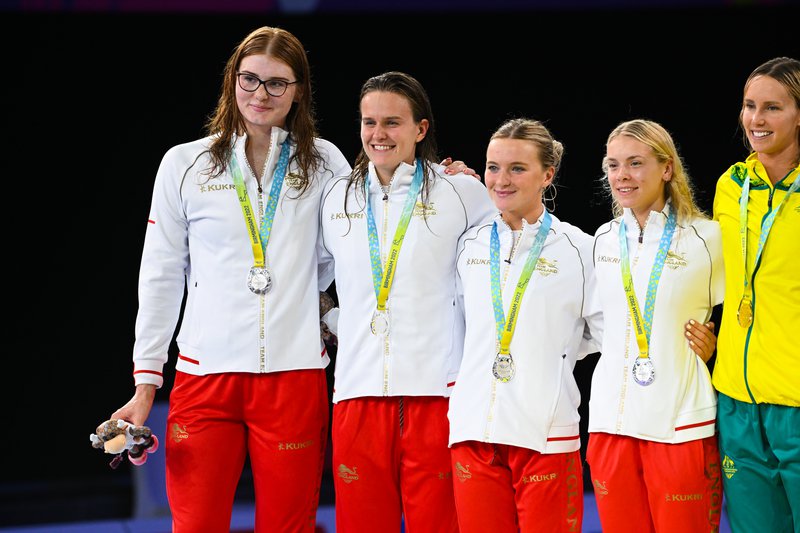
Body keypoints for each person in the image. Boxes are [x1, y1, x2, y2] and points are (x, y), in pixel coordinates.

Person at [107, 26, 354, 532]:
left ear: (299, 89)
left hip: (294, 376)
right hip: (205, 379)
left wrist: (440, 181)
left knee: (290, 526)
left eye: (277, 83)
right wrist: (145, 383)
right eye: (249, 79)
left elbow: (353, 252)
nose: (260, 94)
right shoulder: (185, 164)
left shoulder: (326, 162)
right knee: (195, 524)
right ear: (231, 81)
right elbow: (159, 276)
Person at [317, 71, 495, 532]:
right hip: (356, 394)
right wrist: (337, 318)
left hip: (437, 393)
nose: (379, 134)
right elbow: (308, 277)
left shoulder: (462, 191)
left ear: (421, 128)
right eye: (369, 122)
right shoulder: (335, 195)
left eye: (393, 123)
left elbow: (501, 271)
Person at [447, 117, 604, 533]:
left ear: (547, 174)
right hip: (473, 433)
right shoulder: (468, 244)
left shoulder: (580, 249)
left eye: (517, 168)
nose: (501, 180)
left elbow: (604, 335)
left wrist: (553, 355)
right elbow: (457, 330)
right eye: (493, 167)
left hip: (545, 435)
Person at [587, 119, 725, 532]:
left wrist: (719, 345)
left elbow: (748, 310)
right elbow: (598, 326)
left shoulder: (708, 238)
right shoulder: (603, 239)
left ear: (667, 168)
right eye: (612, 165)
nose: (622, 176)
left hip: (681, 423)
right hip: (611, 424)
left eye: (635, 163)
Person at [707, 56, 800, 533]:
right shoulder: (731, 186)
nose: (756, 120)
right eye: (749, 106)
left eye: (772, 108)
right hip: (737, 398)